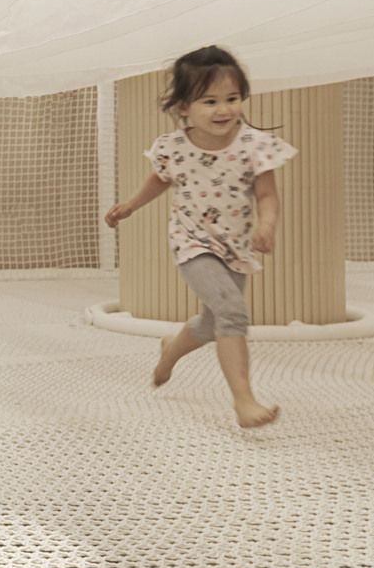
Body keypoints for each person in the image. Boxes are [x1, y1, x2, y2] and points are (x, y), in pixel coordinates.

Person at [106, 46, 295, 429]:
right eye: (210, 101)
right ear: (183, 107)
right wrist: (130, 205)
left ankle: (170, 352)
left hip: (234, 247)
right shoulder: (174, 147)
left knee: (212, 323)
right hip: (191, 242)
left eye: (232, 98)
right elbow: (160, 180)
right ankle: (244, 400)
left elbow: (266, 196)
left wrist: (267, 225)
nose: (223, 110)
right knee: (232, 311)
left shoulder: (254, 146)